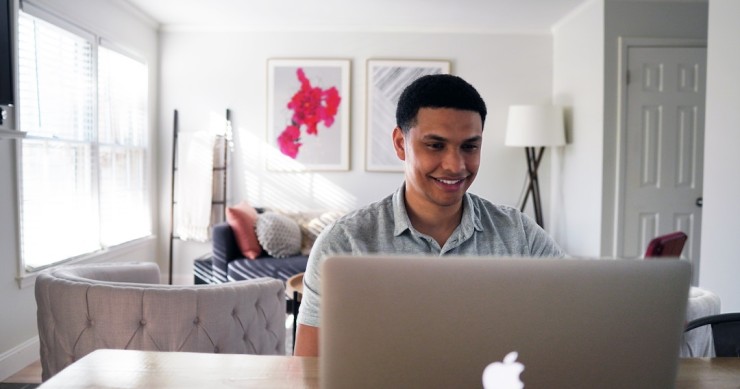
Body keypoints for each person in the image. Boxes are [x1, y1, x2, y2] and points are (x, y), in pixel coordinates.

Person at [293, 74, 565, 356]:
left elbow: (575, 319)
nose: (455, 165)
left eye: (469, 146)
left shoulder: (518, 234)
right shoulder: (343, 243)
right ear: (400, 143)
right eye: (435, 145)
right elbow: (305, 370)